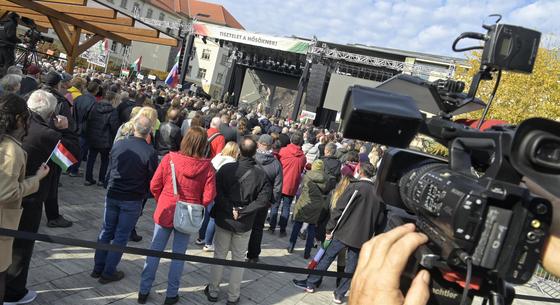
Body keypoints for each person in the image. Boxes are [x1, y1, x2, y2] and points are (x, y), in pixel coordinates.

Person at [138, 126, 216, 305]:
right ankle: (171, 294)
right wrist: (195, 204)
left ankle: (143, 290)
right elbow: (209, 197)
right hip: (188, 213)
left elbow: (154, 185)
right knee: (179, 256)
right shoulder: (207, 167)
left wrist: (162, 200)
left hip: (166, 208)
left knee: (154, 252)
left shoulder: (169, 159)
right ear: (203, 144)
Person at [293, 162, 385, 304]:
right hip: (362, 237)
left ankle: (311, 283)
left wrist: (330, 228)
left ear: (360, 172)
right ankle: (339, 294)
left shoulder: (354, 187)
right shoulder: (378, 194)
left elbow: (339, 209)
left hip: (344, 232)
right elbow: (380, 220)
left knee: (327, 258)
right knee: (351, 266)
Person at [4, 90, 61, 305]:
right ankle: (13, 293)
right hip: (20, 204)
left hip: (17, 206)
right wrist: (36, 179)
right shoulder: (14, 149)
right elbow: (8, 191)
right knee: (19, 249)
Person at [205, 137, 271, 305]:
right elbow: (263, 201)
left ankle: (213, 290)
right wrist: (243, 211)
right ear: (254, 152)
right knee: (238, 259)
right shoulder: (260, 174)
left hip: (227, 218)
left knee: (220, 254)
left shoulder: (227, 169)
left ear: (239, 151)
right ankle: (233, 296)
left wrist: (233, 210)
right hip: (242, 221)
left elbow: (217, 192)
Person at [91, 115, 157, 284]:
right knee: (119, 235)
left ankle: (99, 268)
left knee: (107, 231)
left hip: (116, 193)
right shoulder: (149, 151)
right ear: (149, 131)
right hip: (131, 198)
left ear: (134, 127)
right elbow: (152, 177)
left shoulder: (120, 143)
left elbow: (110, 167)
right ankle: (107, 271)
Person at [195, 141, 240, 251]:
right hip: (219, 192)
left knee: (206, 215)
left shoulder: (217, 157)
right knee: (212, 218)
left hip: (208, 189)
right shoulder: (232, 163)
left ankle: (201, 238)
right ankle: (208, 243)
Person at [247, 134, 283, 263]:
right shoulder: (276, 164)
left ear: (259, 144)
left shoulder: (250, 157)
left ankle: (238, 251)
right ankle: (253, 255)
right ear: (271, 146)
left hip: (248, 198)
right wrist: (271, 201)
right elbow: (278, 187)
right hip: (264, 200)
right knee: (257, 228)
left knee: (244, 224)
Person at [288, 159, 330, 259]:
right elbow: (326, 191)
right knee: (312, 228)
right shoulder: (326, 178)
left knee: (297, 224)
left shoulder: (308, 175)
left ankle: (291, 246)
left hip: (305, 202)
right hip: (317, 205)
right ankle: (307, 252)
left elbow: (302, 187)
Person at [269, 132, 306, 236]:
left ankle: (272, 227)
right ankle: (282, 230)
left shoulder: (283, 151)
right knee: (286, 207)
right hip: (291, 185)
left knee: (275, 205)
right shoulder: (302, 157)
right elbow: (301, 169)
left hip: (280, 182)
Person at [84, 90, 120, 186]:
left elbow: (89, 119)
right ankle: (101, 180)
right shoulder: (113, 111)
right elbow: (114, 127)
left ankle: (88, 178)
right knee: (104, 160)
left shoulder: (95, 106)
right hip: (105, 139)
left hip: (93, 137)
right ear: (112, 99)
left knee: (91, 158)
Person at [70, 80, 99, 177]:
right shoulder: (93, 102)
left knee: (73, 148)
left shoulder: (79, 97)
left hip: (75, 126)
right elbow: (92, 118)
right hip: (84, 129)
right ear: (95, 90)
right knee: (80, 151)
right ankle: (74, 170)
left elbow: (73, 111)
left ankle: (69, 168)